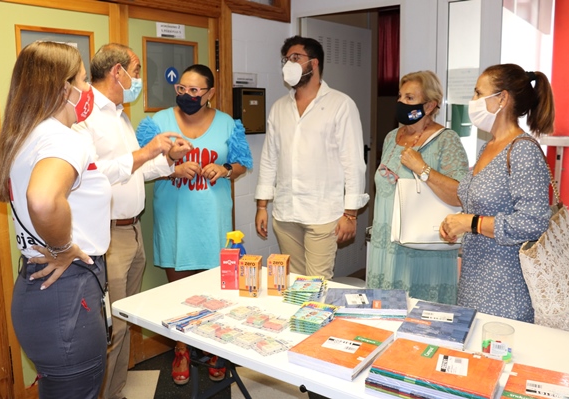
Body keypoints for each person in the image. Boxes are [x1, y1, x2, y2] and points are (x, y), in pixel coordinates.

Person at [0, 41, 111, 398]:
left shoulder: (25, 135)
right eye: (84, 80)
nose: (88, 90)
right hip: (66, 287)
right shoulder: (64, 139)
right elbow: (42, 200)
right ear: (63, 88)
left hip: (36, 287)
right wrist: (62, 248)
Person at [72, 43, 192, 399]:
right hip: (107, 236)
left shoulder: (119, 113)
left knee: (125, 319)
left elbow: (132, 169)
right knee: (112, 327)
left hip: (132, 229)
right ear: (117, 72)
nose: (139, 79)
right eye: (136, 71)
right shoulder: (86, 116)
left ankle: (118, 390)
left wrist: (167, 158)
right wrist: (146, 151)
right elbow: (90, 175)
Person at [136, 64, 253, 385]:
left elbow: (243, 163)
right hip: (175, 221)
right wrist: (172, 168)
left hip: (213, 221)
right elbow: (138, 163)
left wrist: (225, 168)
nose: (187, 95)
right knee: (178, 293)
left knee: (215, 291)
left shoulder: (228, 123)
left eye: (195, 90)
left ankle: (215, 347)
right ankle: (182, 348)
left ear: (210, 93)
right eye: (182, 89)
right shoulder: (157, 123)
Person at [441, 64, 553, 322]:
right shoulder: (487, 147)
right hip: (473, 280)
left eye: (479, 93)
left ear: (502, 98)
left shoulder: (523, 151)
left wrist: (470, 223)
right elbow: (479, 206)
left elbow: (533, 222)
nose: (473, 101)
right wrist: (458, 223)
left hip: (504, 289)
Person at [255, 36, 369, 280]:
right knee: (295, 281)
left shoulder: (341, 104)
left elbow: (354, 163)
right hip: (285, 213)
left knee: (317, 284)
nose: (288, 64)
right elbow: (269, 158)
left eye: (296, 58)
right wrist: (262, 205)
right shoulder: (279, 108)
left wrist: (350, 214)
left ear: (314, 63)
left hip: (323, 214)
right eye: (286, 59)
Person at [366, 71, 469, 305]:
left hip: (423, 248)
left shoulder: (447, 140)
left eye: (410, 98)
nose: (402, 103)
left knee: (421, 321)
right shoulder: (392, 137)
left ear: (430, 105)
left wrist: (422, 169)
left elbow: (459, 195)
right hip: (386, 246)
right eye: (400, 97)